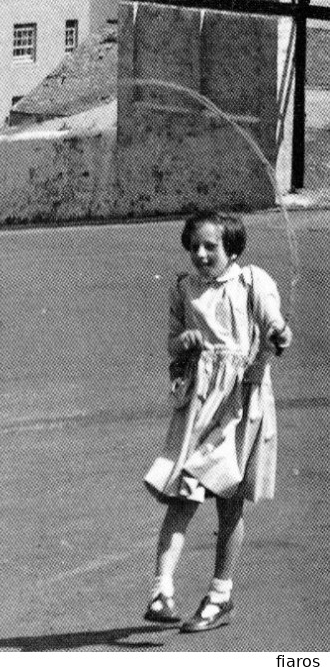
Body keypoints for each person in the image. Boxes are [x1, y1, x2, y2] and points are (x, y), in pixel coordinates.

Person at [143, 210, 292, 633]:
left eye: (211, 246)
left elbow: (275, 327)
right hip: (198, 403)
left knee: (230, 499)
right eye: (195, 246)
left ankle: (220, 594)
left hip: (240, 402)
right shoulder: (183, 289)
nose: (202, 254)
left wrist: (279, 333)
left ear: (233, 249)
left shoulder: (252, 283)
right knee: (181, 493)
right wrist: (184, 342)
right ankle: (161, 589)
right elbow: (173, 343)